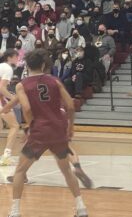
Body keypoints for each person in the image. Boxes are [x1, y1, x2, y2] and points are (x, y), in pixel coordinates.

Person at [6, 50, 88, 217]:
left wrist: (29, 127)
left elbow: (27, 108)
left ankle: (14, 212)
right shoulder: (55, 80)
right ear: (43, 65)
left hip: (39, 131)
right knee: (66, 170)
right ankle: (81, 208)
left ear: (27, 65)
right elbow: (71, 106)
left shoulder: (22, 84)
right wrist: (71, 127)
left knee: (20, 171)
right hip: (58, 129)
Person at [0, 49, 20, 166]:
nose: (18, 60)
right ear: (10, 57)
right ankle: (6, 156)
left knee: (1, 125)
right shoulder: (7, 68)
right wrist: (13, 99)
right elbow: (1, 87)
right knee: (15, 126)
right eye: (16, 57)